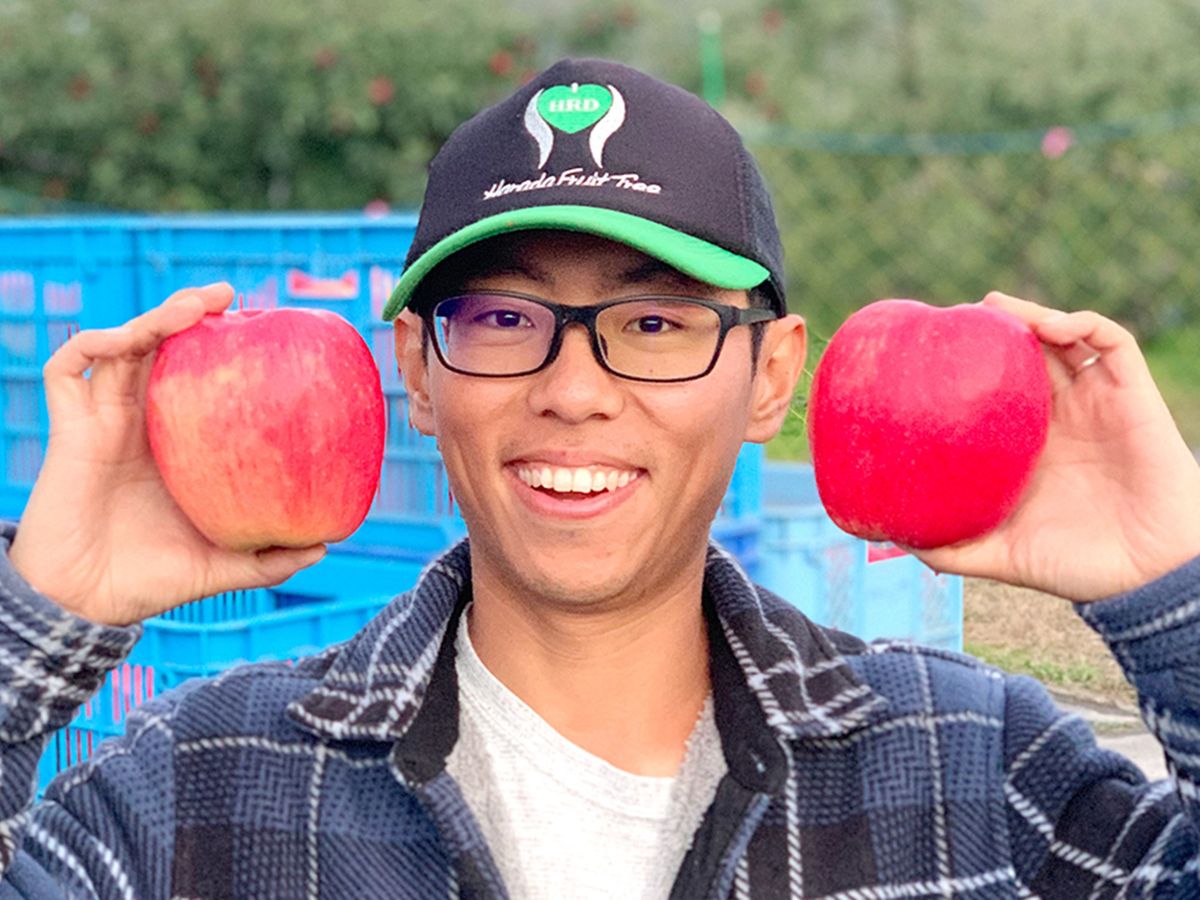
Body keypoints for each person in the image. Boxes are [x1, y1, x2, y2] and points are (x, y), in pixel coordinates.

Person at [0, 56, 1198, 899]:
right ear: (418, 371)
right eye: (504, 318)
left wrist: (1176, 598)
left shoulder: (974, 764)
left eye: (657, 324)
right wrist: (40, 619)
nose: (573, 391)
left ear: (772, 377)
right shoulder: (200, 781)